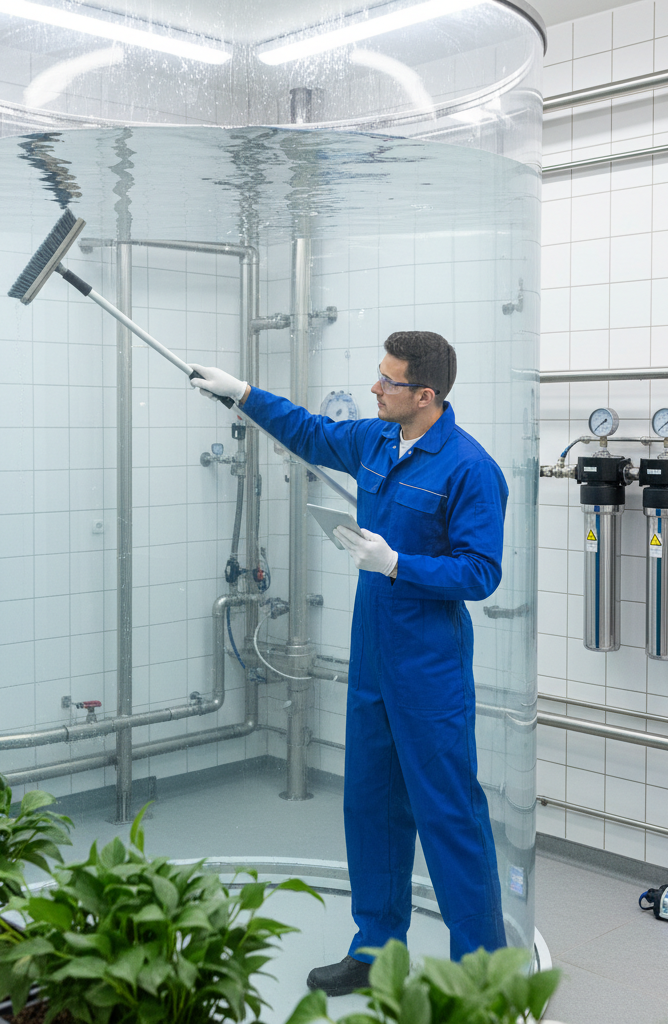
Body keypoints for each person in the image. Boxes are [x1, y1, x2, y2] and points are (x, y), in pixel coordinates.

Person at [189, 330, 508, 995]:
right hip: (372, 656)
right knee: (370, 806)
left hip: (429, 664)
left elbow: (481, 573)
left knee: (449, 814)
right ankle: (374, 950)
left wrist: (399, 563)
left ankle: (483, 976)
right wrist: (242, 394)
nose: (375, 388)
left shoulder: (470, 469)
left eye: (388, 381)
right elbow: (309, 432)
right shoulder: (376, 440)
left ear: (426, 395)